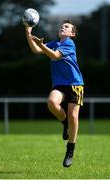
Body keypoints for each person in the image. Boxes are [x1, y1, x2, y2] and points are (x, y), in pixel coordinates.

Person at [24, 19, 84, 168]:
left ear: (72, 33)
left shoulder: (69, 44)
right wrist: (28, 33)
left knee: (73, 116)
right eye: (62, 26)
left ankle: (70, 149)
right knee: (52, 102)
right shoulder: (55, 43)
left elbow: (55, 56)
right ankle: (65, 124)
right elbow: (36, 51)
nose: (63, 28)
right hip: (59, 84)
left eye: (67, 27)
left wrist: (41, 45)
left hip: (75, 84)